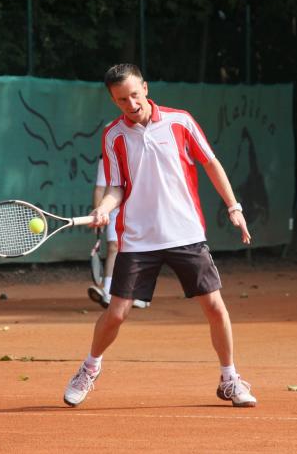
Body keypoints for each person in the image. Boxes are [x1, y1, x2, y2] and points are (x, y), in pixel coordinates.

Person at [63, 63, 256, 408]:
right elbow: (116, 187)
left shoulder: (180, 121)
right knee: (117, 312)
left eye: (134, 95)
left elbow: (211, 163)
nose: (131, 104)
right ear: (113, 100)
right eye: (122, 100)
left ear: (146, 89)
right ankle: (90, 367)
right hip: (138, 238)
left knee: (215, 306)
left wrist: (234, 207)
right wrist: (104, 208)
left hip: (185, 233)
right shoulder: (114, 136)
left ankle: (230, 378)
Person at [88, 157, 150, 309]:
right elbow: (100, 189)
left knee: (143, 250)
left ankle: (139, 293)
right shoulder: (106, 159)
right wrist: (98, 212)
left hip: (142, 208)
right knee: (114, 247)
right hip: (115, 210)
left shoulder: (144, 153)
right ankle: (108, 291)